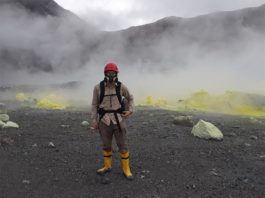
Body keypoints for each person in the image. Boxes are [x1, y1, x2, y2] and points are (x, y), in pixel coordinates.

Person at [91, 62, 134, 180]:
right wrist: (94, 120)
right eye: (109, 73)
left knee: (123, 145)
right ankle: (107, 166)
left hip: (118, 120)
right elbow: (94, 104)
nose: (111, 75)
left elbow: (130, 98)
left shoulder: (121, 86)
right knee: (106, 145)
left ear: (116, 74)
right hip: (104, 121)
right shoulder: (97, 88)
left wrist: (130, 111)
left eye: (113, 73)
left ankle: (126, 169)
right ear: (105, 74)